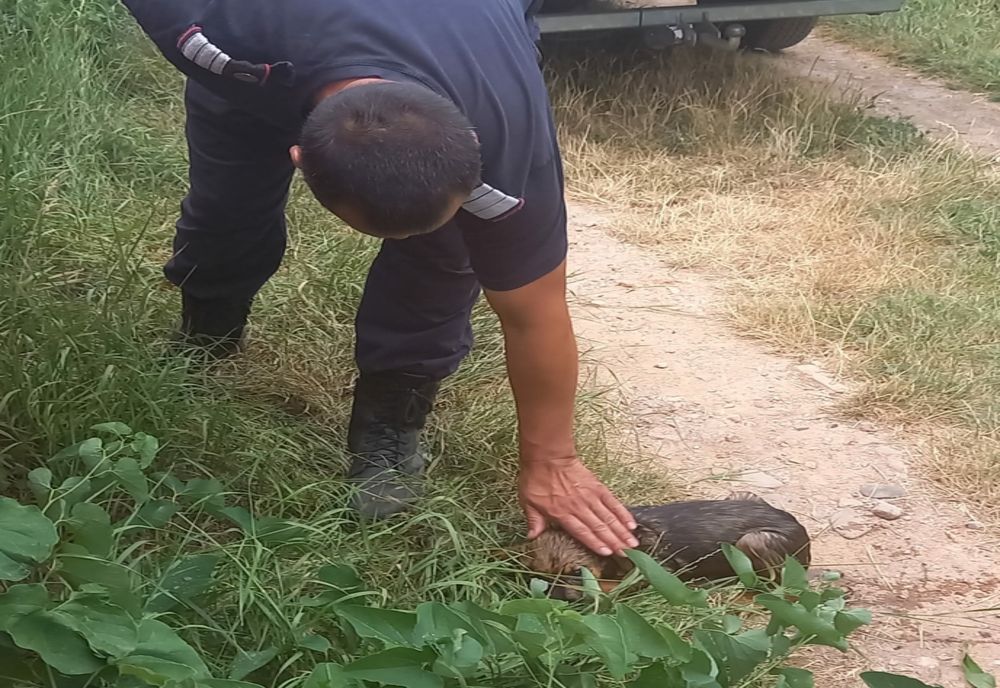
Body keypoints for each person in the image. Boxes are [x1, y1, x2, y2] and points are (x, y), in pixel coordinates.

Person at [121, 0, 639, 557]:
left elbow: (535, 311)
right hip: (259, 66)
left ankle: (389, 418)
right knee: (227, 207)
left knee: (446, 256)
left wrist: (552, 459)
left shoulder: (507, 128)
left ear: (470, 146)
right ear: (300, 157)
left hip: (468, 32)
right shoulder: (209, 30)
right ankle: (208, 328)